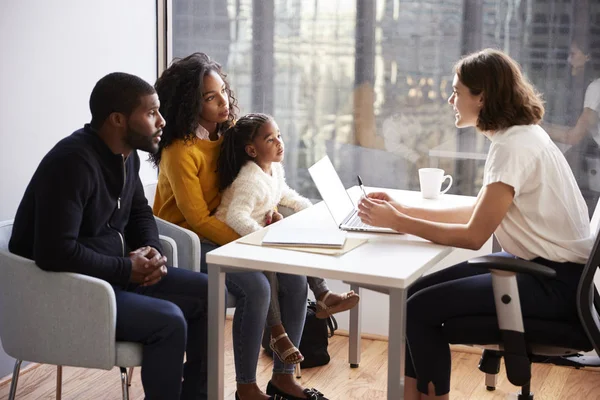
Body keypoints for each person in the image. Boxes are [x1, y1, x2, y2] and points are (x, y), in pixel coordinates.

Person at [357, 49, 594, 399]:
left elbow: (474, 235)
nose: (450, 99)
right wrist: (402, 212)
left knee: (417, 309)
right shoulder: (519, 135)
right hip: (549, 274)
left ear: (481, 96)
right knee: (412, 295)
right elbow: (479, 213)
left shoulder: (513, 146)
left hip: (553, 286)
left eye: (457, 91)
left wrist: (401, 221)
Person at [9, 73, 210, 399]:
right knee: (169, 321)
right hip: (66, 292)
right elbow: (54, 252)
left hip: (111, 276)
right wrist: (126, 268)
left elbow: (140, 213)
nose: (161, 121)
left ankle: (197, 396)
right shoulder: (71, 164)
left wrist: (151, 250)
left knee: (208, 292)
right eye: (151, 113)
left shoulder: (125, 156)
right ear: (118, 119)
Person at [151, 53, 327, 400]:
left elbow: (252, 186)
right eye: (210, 97)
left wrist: (270, 216)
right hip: (189, 241)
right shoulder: (179, 151)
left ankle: (284, 376)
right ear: (189, 102)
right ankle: (246, 386)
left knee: (294, 275)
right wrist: (255, 243)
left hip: (230, 230)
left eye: (223, 93)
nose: (224, 102)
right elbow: (199, 219)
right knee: (257, 287)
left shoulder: (230, 135)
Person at [215, 112, 360, 365]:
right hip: (234, 242)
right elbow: (235, 217)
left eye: (279, 136)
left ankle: (323, 294)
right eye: (270, 139)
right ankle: (277, 331)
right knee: (271, 263)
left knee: (298, 248)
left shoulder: (274, 171)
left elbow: (287, 195)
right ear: (251, 149)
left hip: (258, 233)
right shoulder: (249, 180)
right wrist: (263, 238)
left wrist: (314, 211)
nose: (279, 142)